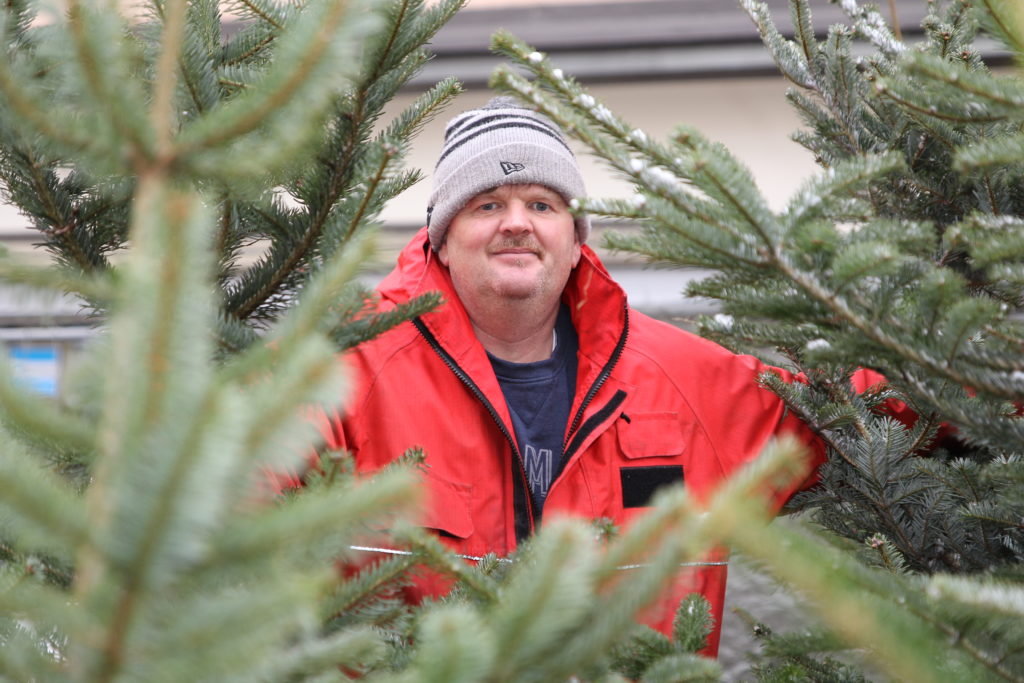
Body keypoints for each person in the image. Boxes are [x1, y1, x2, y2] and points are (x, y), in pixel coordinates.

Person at [309, 97, 886, 657]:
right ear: (442, 236)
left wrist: (965, 377)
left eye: (542, 204)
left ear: (575, 235)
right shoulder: (350, 369)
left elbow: (850, 413)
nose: (516, 223)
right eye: (486, 204)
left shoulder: (677, 375)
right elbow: (241, 507)